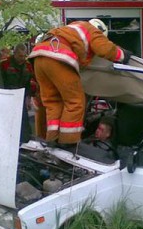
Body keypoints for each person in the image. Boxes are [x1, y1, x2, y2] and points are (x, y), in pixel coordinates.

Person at [28, 19, 132, 148]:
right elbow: (104, 49)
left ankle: (52, 138)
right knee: (75, 102)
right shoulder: (91, 30)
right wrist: (123, 55)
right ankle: (68, 142)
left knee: (53, 102)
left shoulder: (70, 29)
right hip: (58, 56)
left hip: (38, 57)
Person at [0, 43, 33, 143]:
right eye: (20, 56)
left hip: (21, 96)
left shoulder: (28, 66)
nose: (22, 58)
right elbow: (1, 81)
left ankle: (25, 141)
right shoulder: (5, 64)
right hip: (8, 95)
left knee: (23, 120)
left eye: (24, 56)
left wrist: (28, 98)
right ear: (14, 54)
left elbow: (29, 83)